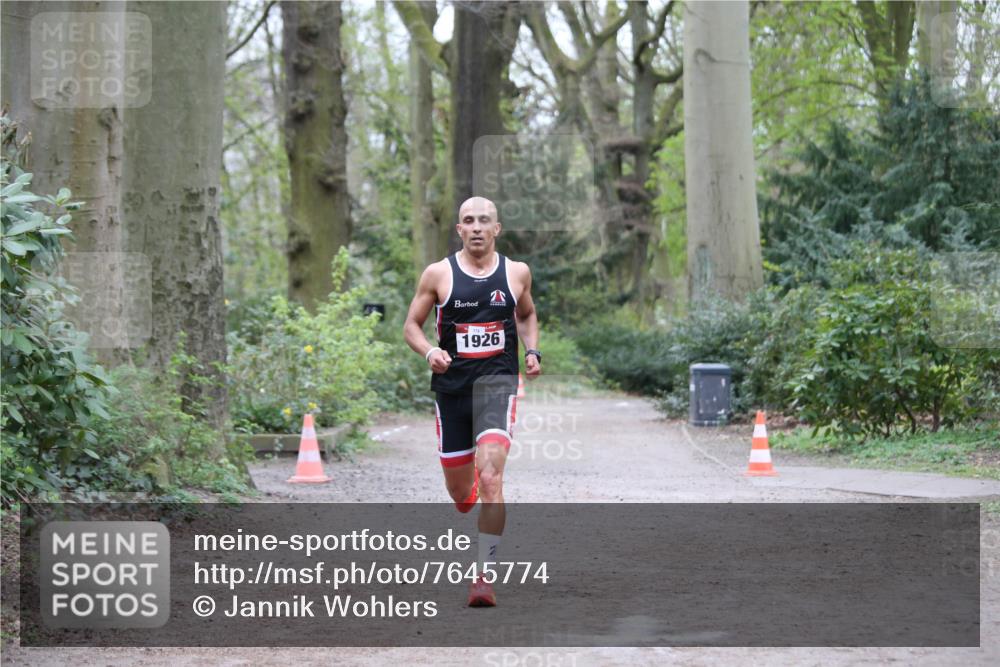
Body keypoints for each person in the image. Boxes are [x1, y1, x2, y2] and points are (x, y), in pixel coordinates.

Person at [403, 196, 541, 607]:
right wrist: (429, 351)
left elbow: (527, 315)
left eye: (484, 221)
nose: (477, 227)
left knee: (493, 478)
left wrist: (532, 351)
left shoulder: (516, 273)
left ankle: (484, 575)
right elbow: (412, 325)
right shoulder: (438, 274)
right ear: (459, 230)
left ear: (497, 229)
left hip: (498, 385)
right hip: (452, 393)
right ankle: (472, 489)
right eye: (468, 221)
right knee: (461, 493)